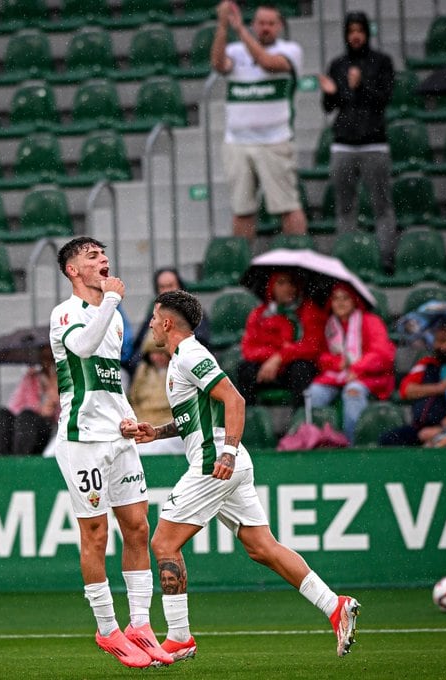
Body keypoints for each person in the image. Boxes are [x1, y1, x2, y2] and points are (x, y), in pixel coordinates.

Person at [135, 289, 360, 662]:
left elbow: (234, 400)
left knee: (163, 543)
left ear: (168, 322)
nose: (152, 325)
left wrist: (226, 451)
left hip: (216, 463)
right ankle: (336, 606)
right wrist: (156, 432)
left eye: (155, 318)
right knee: (262, 547)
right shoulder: (180, 360)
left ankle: (179, 638)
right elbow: (195, 418)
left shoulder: (190, 354)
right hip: (228, 462)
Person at [48, 236, 174, 669]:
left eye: (103, 254)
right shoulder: (65, 313)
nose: (103, 260)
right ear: (72, 271)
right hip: (83, 439)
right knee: (96, 536)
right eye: (91, 256)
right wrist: (112, 302)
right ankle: (107, 630)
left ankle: (140, 625)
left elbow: (108, 378)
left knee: (137, 527)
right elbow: (81, 349)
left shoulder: (113, 318)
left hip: (116, 436)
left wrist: (129, 417)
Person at [211, 1, 308, 240]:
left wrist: (241, 30)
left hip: (274, 141)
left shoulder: (290, 50)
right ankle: (244, 268)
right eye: (261, 23)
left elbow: (267, 63)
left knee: (287, 206)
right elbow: (217, 64)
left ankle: (300, 261)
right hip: (237, 143)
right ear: (255, 25)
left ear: (280, 26)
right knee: (242, 211)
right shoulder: (235, 50)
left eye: (271, 23)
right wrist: (223, 26)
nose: (265, 28)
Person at [319, 11, 397, 271]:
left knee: (382, 206)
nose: (355, 36)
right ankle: (346, 261)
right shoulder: (337, 64)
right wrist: (330, 94)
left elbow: (384, 99)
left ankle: (386, 260)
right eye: (351, 31)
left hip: (374, 143)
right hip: (344, 143)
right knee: (345, 207)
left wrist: (360, 85)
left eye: (359, 30)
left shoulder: (382, 62)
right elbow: (330, 107)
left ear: (367, 32)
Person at [304, 282, 396, 445]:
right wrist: (337, 362)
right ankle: (319, 440)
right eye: (336, 298)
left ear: (354, 301)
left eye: (345, 298)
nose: (340, 303)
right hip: (336, 375)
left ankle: (352, 443)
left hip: (368, 376)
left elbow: (382, 353)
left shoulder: (370, 321)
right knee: (314, 393)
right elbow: (321, 355)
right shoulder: (328, 325)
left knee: (352, 392)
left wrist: (357, 367)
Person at [237, 269, 326, 406]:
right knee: (245, 369)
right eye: (281, 283)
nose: (288, 288)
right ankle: (249, 420)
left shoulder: (309, 310)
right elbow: (248, 348)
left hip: (294, 368)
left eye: (291, 283)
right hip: (267, 368)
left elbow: (312, 346)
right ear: (271, 287)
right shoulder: (259, 314)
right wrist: (272, 358)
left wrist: (280, 358)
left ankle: (300, 420)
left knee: (301, 369)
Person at [379, 319, 446, 447]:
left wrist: (443, 427)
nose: (438, 346)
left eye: (444, 341)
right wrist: (439, 388)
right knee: (387, 439)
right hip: (420, 428)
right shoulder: (427, 364)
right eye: (436, 340)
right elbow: (405, 390)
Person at [125, 267, 211, 378]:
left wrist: (169, 355)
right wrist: (150, 357)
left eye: (170, 285)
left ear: (179, 287)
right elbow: (139, 348)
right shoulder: (154, 316)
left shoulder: (193, 313)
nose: (166, 291)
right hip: (152, 375)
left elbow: (200, 343)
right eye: (162, 287)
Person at [0, 345, 60, 456]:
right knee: (3, 416)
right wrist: (39, 408)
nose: (47, 361)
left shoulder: (64, 380)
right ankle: (2, 461)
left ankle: (21, 461)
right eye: (44, 357)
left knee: (27, 419)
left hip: (47, 428)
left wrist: (54, 400)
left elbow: (65, 416)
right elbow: (14, 407)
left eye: (50, 357)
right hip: (25, 425)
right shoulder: (31, 378)